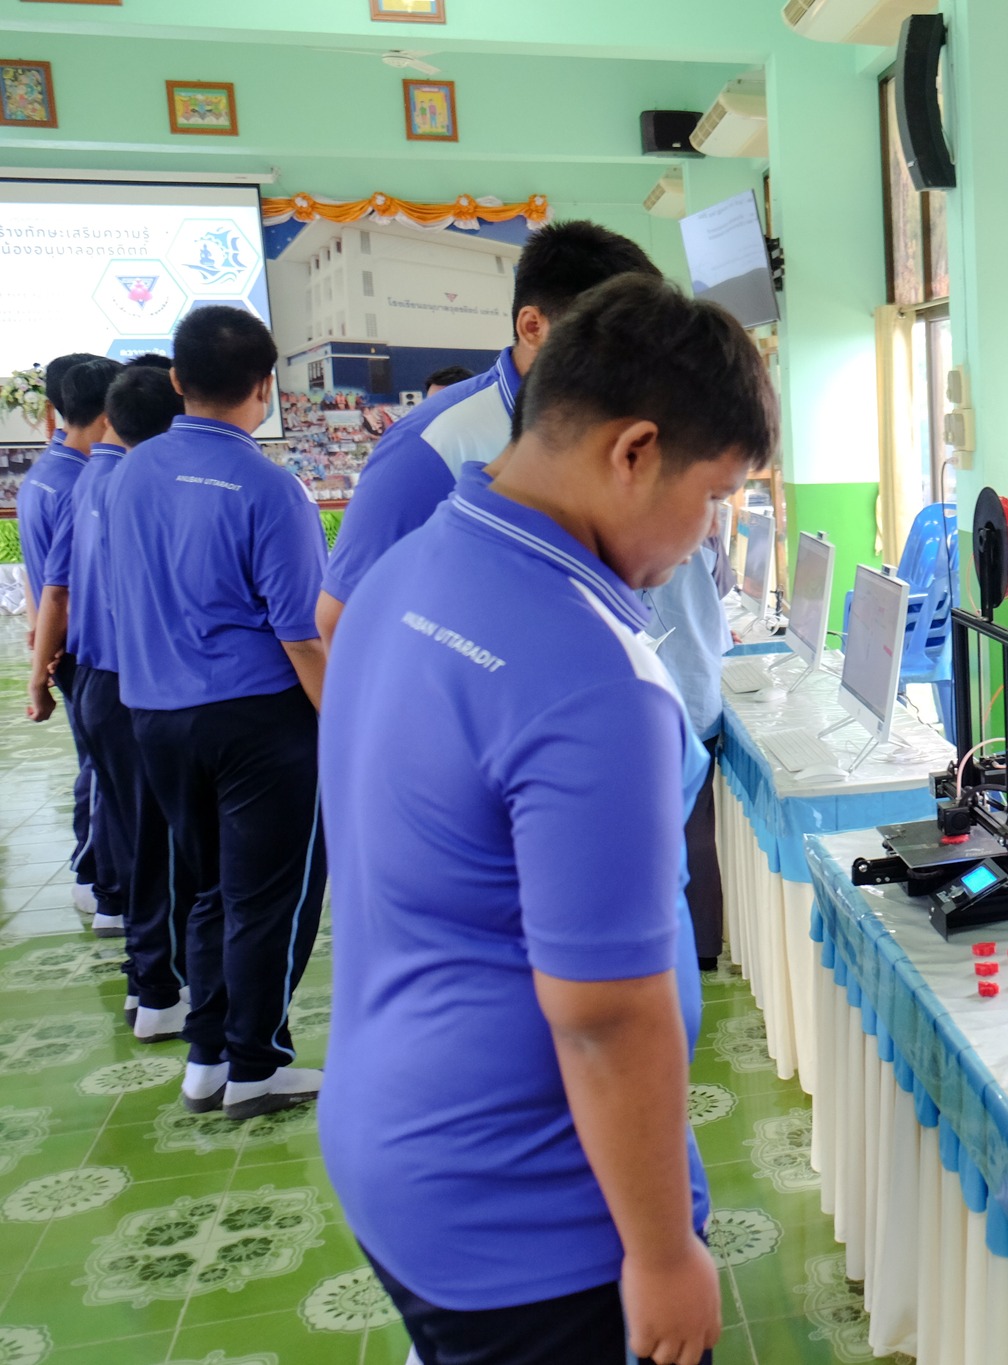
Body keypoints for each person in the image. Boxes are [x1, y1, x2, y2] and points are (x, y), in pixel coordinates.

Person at [320, 274, 775, 1365]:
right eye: (713, 496)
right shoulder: (592, 680)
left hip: (396, 1135)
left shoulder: (407, 569)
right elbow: (604, 1018)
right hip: (530, 1207)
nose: (709, 538)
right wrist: (664, 1255)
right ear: (631, 450)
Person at [107, 306, 328, 1121]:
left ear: (175, 380)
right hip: (256, 720)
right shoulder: (270, 487)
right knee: (268, 895)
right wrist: (341, 725)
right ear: (266, 387)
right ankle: (256, 1063)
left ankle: (207, 1059)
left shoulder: (130, 470)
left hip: (155, 714)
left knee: (204, 888)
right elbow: (302, 635)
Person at [316, 221, 661, 646]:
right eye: (613, 338)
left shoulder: (618, 424)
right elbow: (343, 618)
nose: (631, 362)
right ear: (533, 326)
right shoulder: (432, 442)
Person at [68, 363, 188, 1040]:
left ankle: (148, 981)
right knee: (161, 848)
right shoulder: (143, 488)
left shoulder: (100, 480)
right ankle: (158, 985)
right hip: (133, 682)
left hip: (103, 679)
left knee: (138, 841)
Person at [20, 352, 119, 936]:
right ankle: (101, 882)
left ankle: (93, 875)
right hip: (83, 650)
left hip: (64, 647)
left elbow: (42, 587)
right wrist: (45, 660)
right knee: (105, 774)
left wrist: (40, 648)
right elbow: (59, 588)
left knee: (96, 768)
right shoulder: (80, 482)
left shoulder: (47, 473)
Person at [644, 535, 738, 970]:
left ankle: (677, 946)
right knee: (693, 824)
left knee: (671, 829)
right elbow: (721, 583)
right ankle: (700, 946)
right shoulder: (696, 516)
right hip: (690, 681)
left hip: (665, 685)